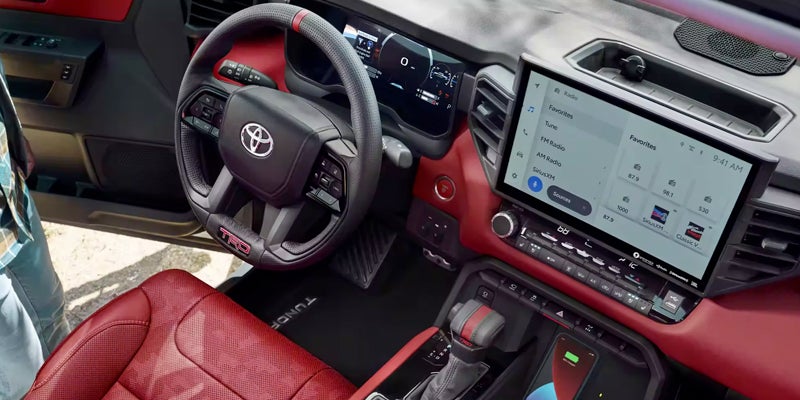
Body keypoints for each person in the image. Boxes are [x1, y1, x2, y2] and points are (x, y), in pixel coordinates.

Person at [0, 62, 70, 399]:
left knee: (51, 310)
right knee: (21, 373)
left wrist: (12, 133)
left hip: (7, 191)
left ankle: (75, 385)